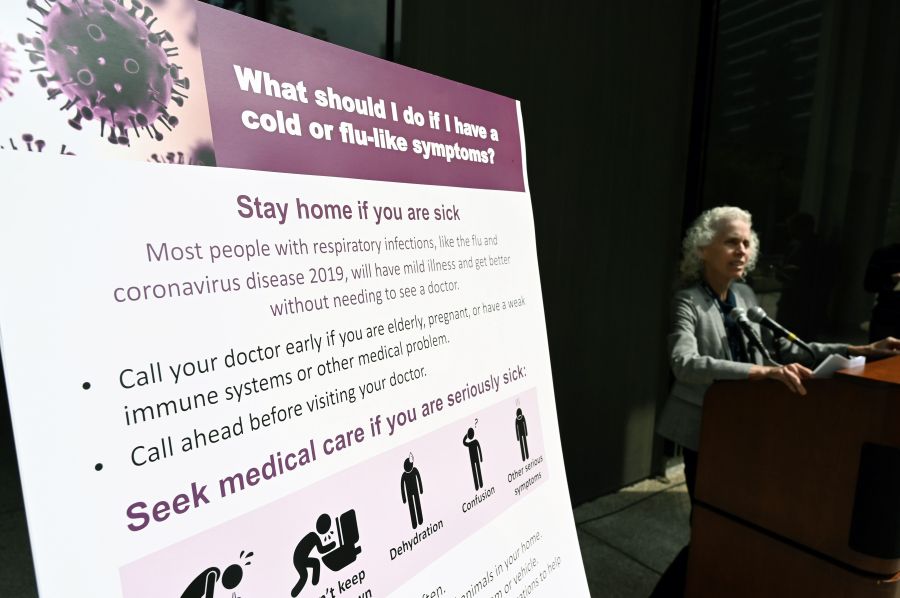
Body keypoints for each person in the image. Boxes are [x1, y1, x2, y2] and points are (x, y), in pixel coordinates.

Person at [652, 206, 900, 597]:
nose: (742, 250)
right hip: (706, 429)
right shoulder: (688, 301)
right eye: (731, 241)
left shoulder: (746, 296)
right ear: (703, 249)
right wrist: (763, 373)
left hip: (752, 427)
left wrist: (861, 349)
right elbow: (685, 363)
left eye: (747, 243)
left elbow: (788, 347)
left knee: (735, 521)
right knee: (709, 524)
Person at [864, 243, 900, 341]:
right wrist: (891, 279)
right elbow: (869, 285)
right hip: (887, 319)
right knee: (881, 354)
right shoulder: (884, 254)